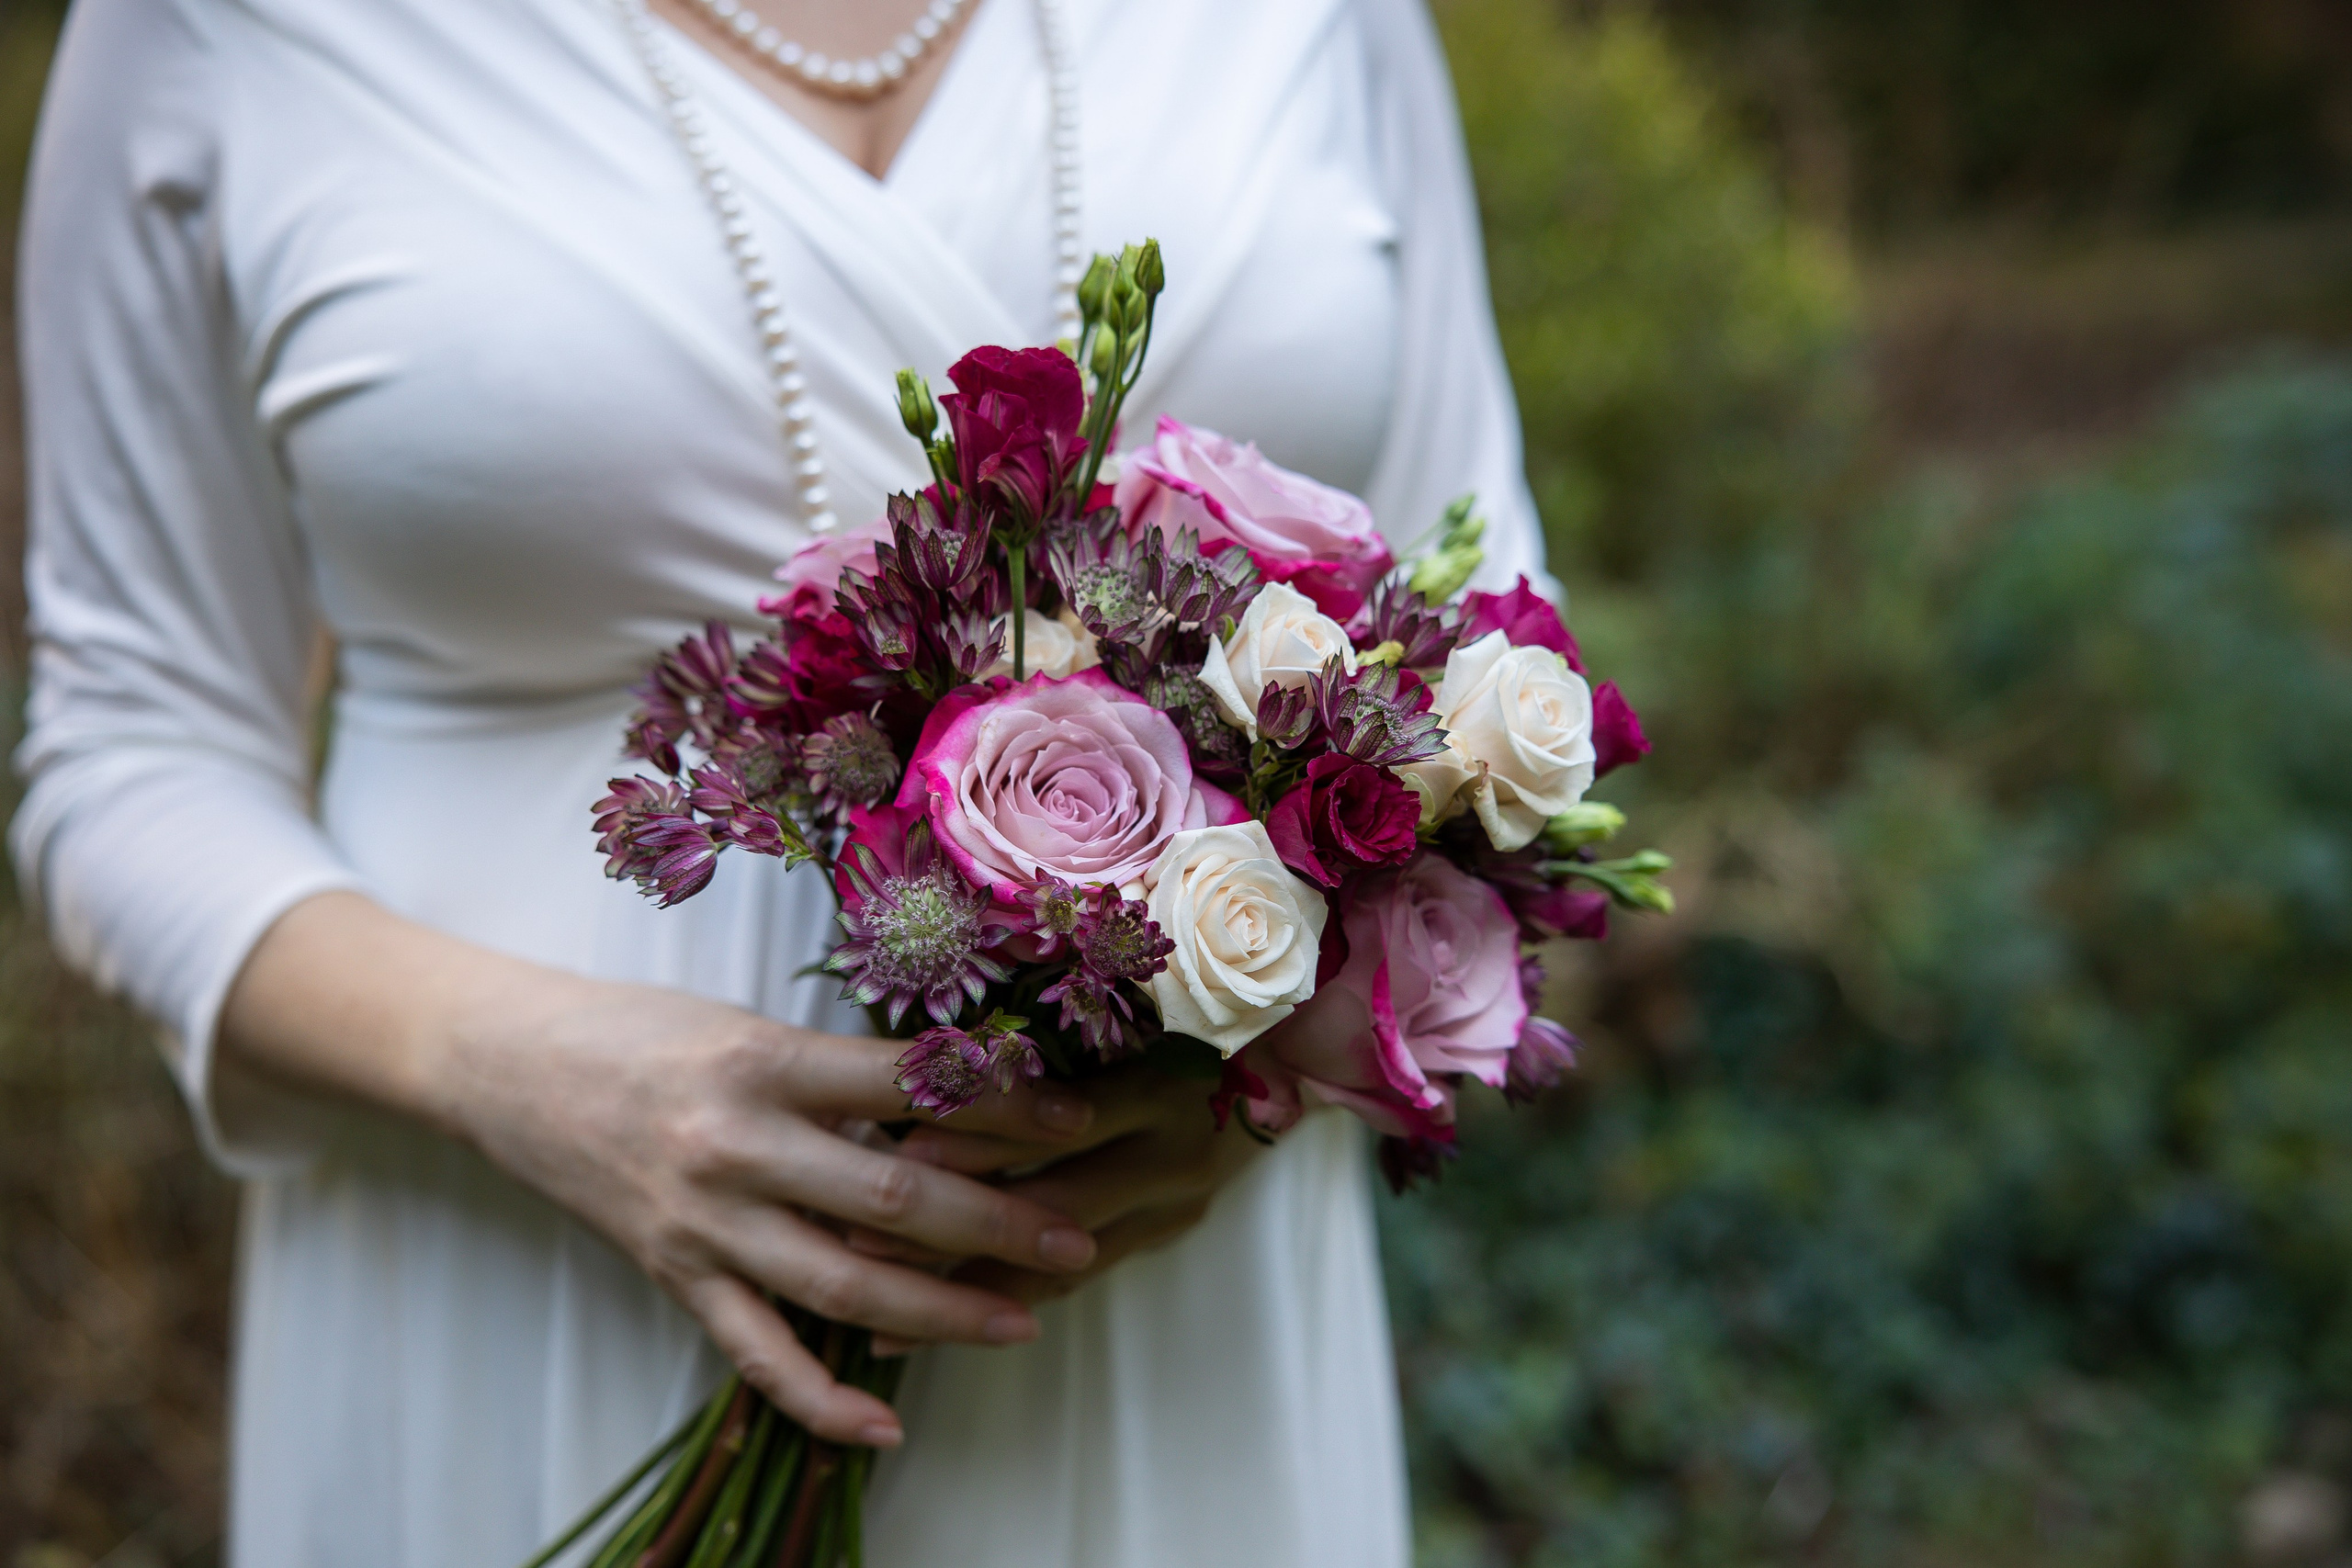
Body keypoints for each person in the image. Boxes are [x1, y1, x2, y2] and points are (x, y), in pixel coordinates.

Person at [12, 0, 1547, 1562]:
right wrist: (506, 1068)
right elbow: (132, 748)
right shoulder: (219, 30)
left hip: (1167, 1297)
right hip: (516, 1258)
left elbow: (1484, 654)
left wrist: (1255, 1076)